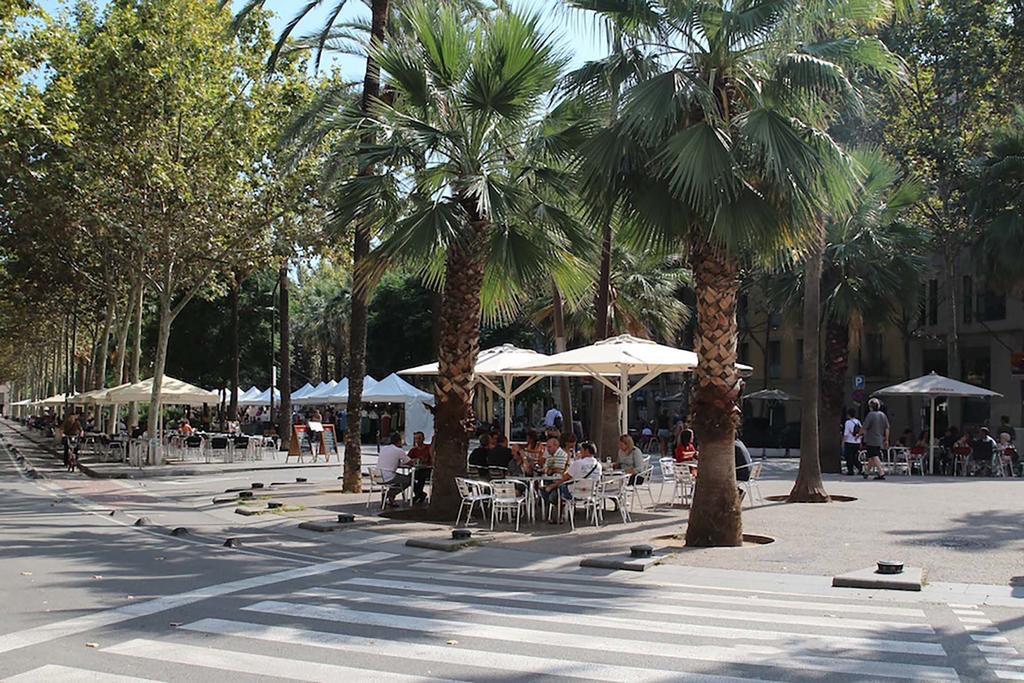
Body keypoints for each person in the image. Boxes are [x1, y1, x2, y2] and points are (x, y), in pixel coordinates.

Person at [542, 441, 602, 520]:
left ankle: (559, 515)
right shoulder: (599, 465)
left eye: (581, 450)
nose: (580, 452)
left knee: (555, 491)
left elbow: (565, 477)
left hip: (574, 493)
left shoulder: (578, 463)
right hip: (591, 493)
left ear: (586, 451)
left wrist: (569, 463)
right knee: (554, 489)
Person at [377, 432, 412, 507]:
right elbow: (410, 462)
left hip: (377, 475)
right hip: (388, 476)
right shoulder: (399, 451)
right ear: (399, 441)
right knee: (409, 480)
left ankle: (390, 497)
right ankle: (390, 494)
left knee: (400, 478)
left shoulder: (384, 448)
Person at [862, 398, 889, 480]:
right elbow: (887, 428)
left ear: (870, 407)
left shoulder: (870, 415)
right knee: (871, 457)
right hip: (880, 439)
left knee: (874, 455)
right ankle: (866, 472)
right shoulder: (883, 415)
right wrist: (886, 439)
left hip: (871, 439)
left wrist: (858, 434)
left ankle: (881, 472)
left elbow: (864, 427)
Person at [406, 431, 432, 504]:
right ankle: (420, 494)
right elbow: (407, 460)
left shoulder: (428, 448)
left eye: (419, 438)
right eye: (416, 438)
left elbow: (432, 459)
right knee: (409, 477)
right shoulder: (413, 450)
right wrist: (413, 461)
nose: (417, 440)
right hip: (418, 469)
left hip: (428, 469)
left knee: (422, 476)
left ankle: (418, 495)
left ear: (423, 438)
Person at [841, 408, 863, 475]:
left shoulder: (848, 422)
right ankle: (859, 467)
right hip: (857, 441)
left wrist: (843, 442)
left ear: (848, 415)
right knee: (855, 457)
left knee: (848, 457)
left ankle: (850, 470)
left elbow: (846, 434)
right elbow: (861, 431)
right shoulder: (858, 421)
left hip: (849, 441)